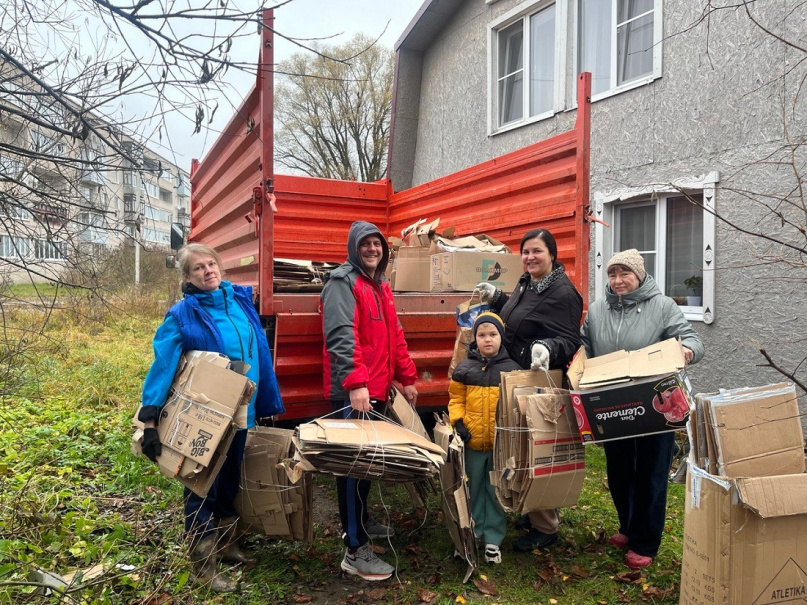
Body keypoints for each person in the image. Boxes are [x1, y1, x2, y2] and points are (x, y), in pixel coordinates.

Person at [139, 243, 284, 592]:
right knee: (202, 486)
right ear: (187, 277)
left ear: (220, 267)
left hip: (243, 411)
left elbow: (258, 351)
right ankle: (203, 565)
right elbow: (163, 365)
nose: (208, 271)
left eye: (211, 264)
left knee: (231, 479)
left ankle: (227, 543)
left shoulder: (239, 301)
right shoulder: (182, 315)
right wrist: (149, 420)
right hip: (208, 414)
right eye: (198, 268)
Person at [581, 249, 703, 569]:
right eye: (613, 274)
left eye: (625, 273)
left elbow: (692, 339)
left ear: (639, 275)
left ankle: (645, 541)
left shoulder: (662, 306)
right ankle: (629, 526)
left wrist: (687, 351)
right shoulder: (598, 310)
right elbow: (585, 347)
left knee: (651, 473)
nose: (618, 280)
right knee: (619, 471)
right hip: (613, 403)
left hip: (654, 404)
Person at [320, 220, 418, 581]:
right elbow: (340, 335)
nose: (373, 249)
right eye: (366, 244)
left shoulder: (379, 284)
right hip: (354, 393)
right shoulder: (342, 283)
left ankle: (361, 521)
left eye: (377, 244)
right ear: (354, 248)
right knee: (352, 469)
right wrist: (356, 384)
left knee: (366, 466)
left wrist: (407, 377)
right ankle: (355, 550)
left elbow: (394, 335)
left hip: (375, 391)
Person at [476, 227, 583, 552]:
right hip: (518, 376)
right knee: (519, 448)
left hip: (539, 381)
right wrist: (498, 298)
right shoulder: (527, 282)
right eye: (525, 252)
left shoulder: (564, 294)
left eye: (537, 251)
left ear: (552, 254)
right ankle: (531, 506)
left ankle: (546, 526)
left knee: (535, 450)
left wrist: (547, 347)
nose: (530, 257)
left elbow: (570, 340)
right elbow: (519, 313)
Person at [448, 311, 520, 565]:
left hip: (500, 447)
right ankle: (472, 532)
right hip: (473, 444)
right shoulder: (464, 369)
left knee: (496, 491)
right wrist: (458, 422)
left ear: (501, 337)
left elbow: (518, 405)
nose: (487, 339)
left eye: (492, 334)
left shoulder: (512, 369)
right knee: (472, 489)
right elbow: (456, 399)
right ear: (474, 338)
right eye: (481, 335)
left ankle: (493, 539)